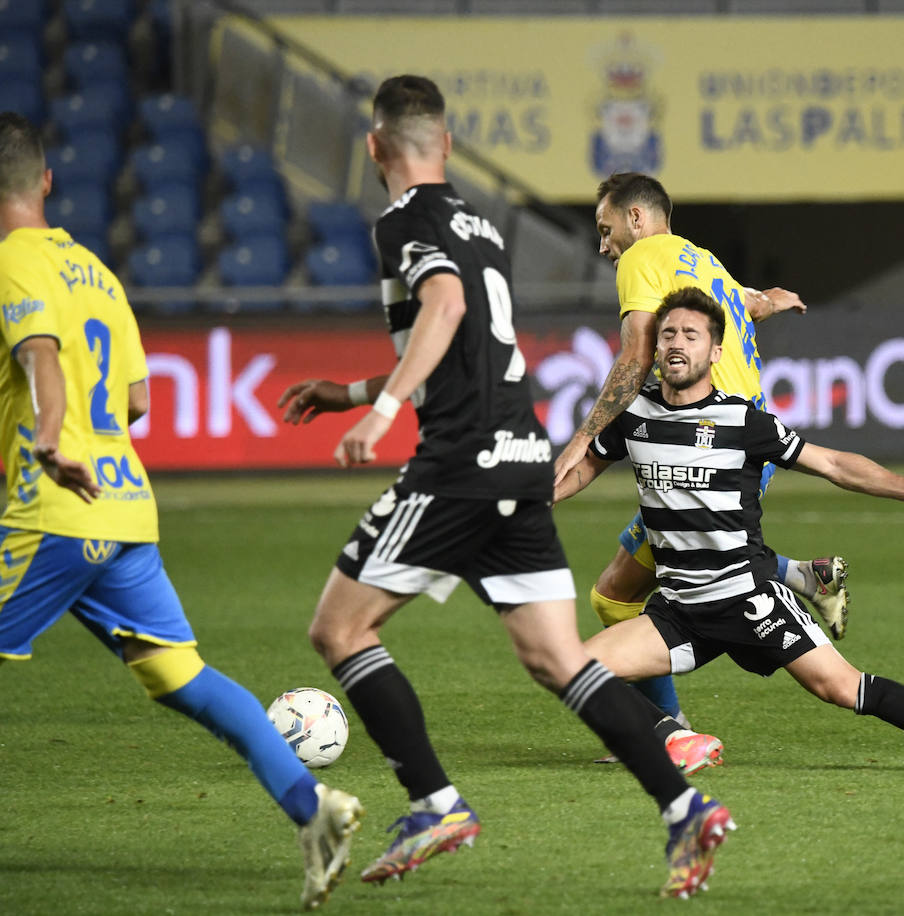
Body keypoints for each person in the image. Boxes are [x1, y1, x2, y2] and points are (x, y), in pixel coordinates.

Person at [276, 76, 732, 898]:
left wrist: (378, 412)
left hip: (459, 464)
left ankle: (436, 804)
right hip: (520, 455)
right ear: (446, 147)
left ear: (375, 149)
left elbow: (445, 308)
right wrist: (347, 391)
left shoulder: (404, 222)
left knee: (339, 630)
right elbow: (464, 343)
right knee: (558, 659)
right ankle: (684, 808)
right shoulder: (478, 223)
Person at [0, 111, 364, 911]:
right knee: (180, 674)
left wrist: (54, 438)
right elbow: (135, 402)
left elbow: (40, 358)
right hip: (126, 508)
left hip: (56, 506)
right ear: (48, 182)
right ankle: (315, 810)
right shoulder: (95, 271)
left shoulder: (13, 263)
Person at [555, 288, 904, 778]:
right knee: (571, 667)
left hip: (747, 597)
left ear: (715, 352)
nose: (677, 343)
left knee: (842, 688)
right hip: (679, 609)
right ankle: (678, 738)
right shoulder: (634, 415)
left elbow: (832, 463)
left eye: (691, 335)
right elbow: (582, 468)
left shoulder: (742, 421)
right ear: (655, 347)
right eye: (668, 334)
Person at [551, 171, 850, 734]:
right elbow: (744, 303)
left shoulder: (641, 258)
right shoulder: (701, 259)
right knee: (622, 591)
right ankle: (807, 579)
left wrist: (582, 437)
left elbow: (638, 354)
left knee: (616, 596)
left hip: (706, 444)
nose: (603, 243)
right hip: (740, 444)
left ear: (636, 219)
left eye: (605, 227)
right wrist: (769, 300)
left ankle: (670, 732)